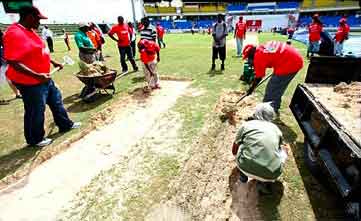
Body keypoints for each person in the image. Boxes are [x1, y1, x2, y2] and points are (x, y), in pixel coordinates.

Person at [3, 6, 80, 147]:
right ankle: (35, 139)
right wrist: (37, 75)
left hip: (44, 78)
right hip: (29, 82)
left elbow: (39, 51)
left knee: (56, 101)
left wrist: (53, 61)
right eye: (38, 19)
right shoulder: (14, 33)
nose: (40, 22)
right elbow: (13, 61)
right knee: (35, 109)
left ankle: (65, 125)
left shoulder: (31, 31)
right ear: (30, 17)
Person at [232, 102, 288, 194]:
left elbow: (235, 147)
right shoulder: (276, 129)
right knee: (284, 150)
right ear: (271, 115)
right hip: (272, 175)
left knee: (241, 144)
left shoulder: (246, 125)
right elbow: (279, 148)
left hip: (245, 167)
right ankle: (264, 183)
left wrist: (236, 157)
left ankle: (243, 177)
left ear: (255, 113)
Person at [242, 41, 304, 114]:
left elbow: (259, 77)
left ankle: (266, 112)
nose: (249, 61)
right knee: (277, 88)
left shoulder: (258, 56)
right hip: (291, 59)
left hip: (291, 63)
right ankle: (274, 107)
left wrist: (251, 89)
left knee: (271, 89)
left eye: (248, 58)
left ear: (251, 54)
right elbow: (274, 55)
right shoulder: (262, 48)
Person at [0, 29, 21, 100]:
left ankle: (17, 93)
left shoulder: (4, 45)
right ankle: (17, 93)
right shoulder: (3, 45)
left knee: (10, 79)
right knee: (9, 79)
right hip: (3, 65)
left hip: (4, 65)